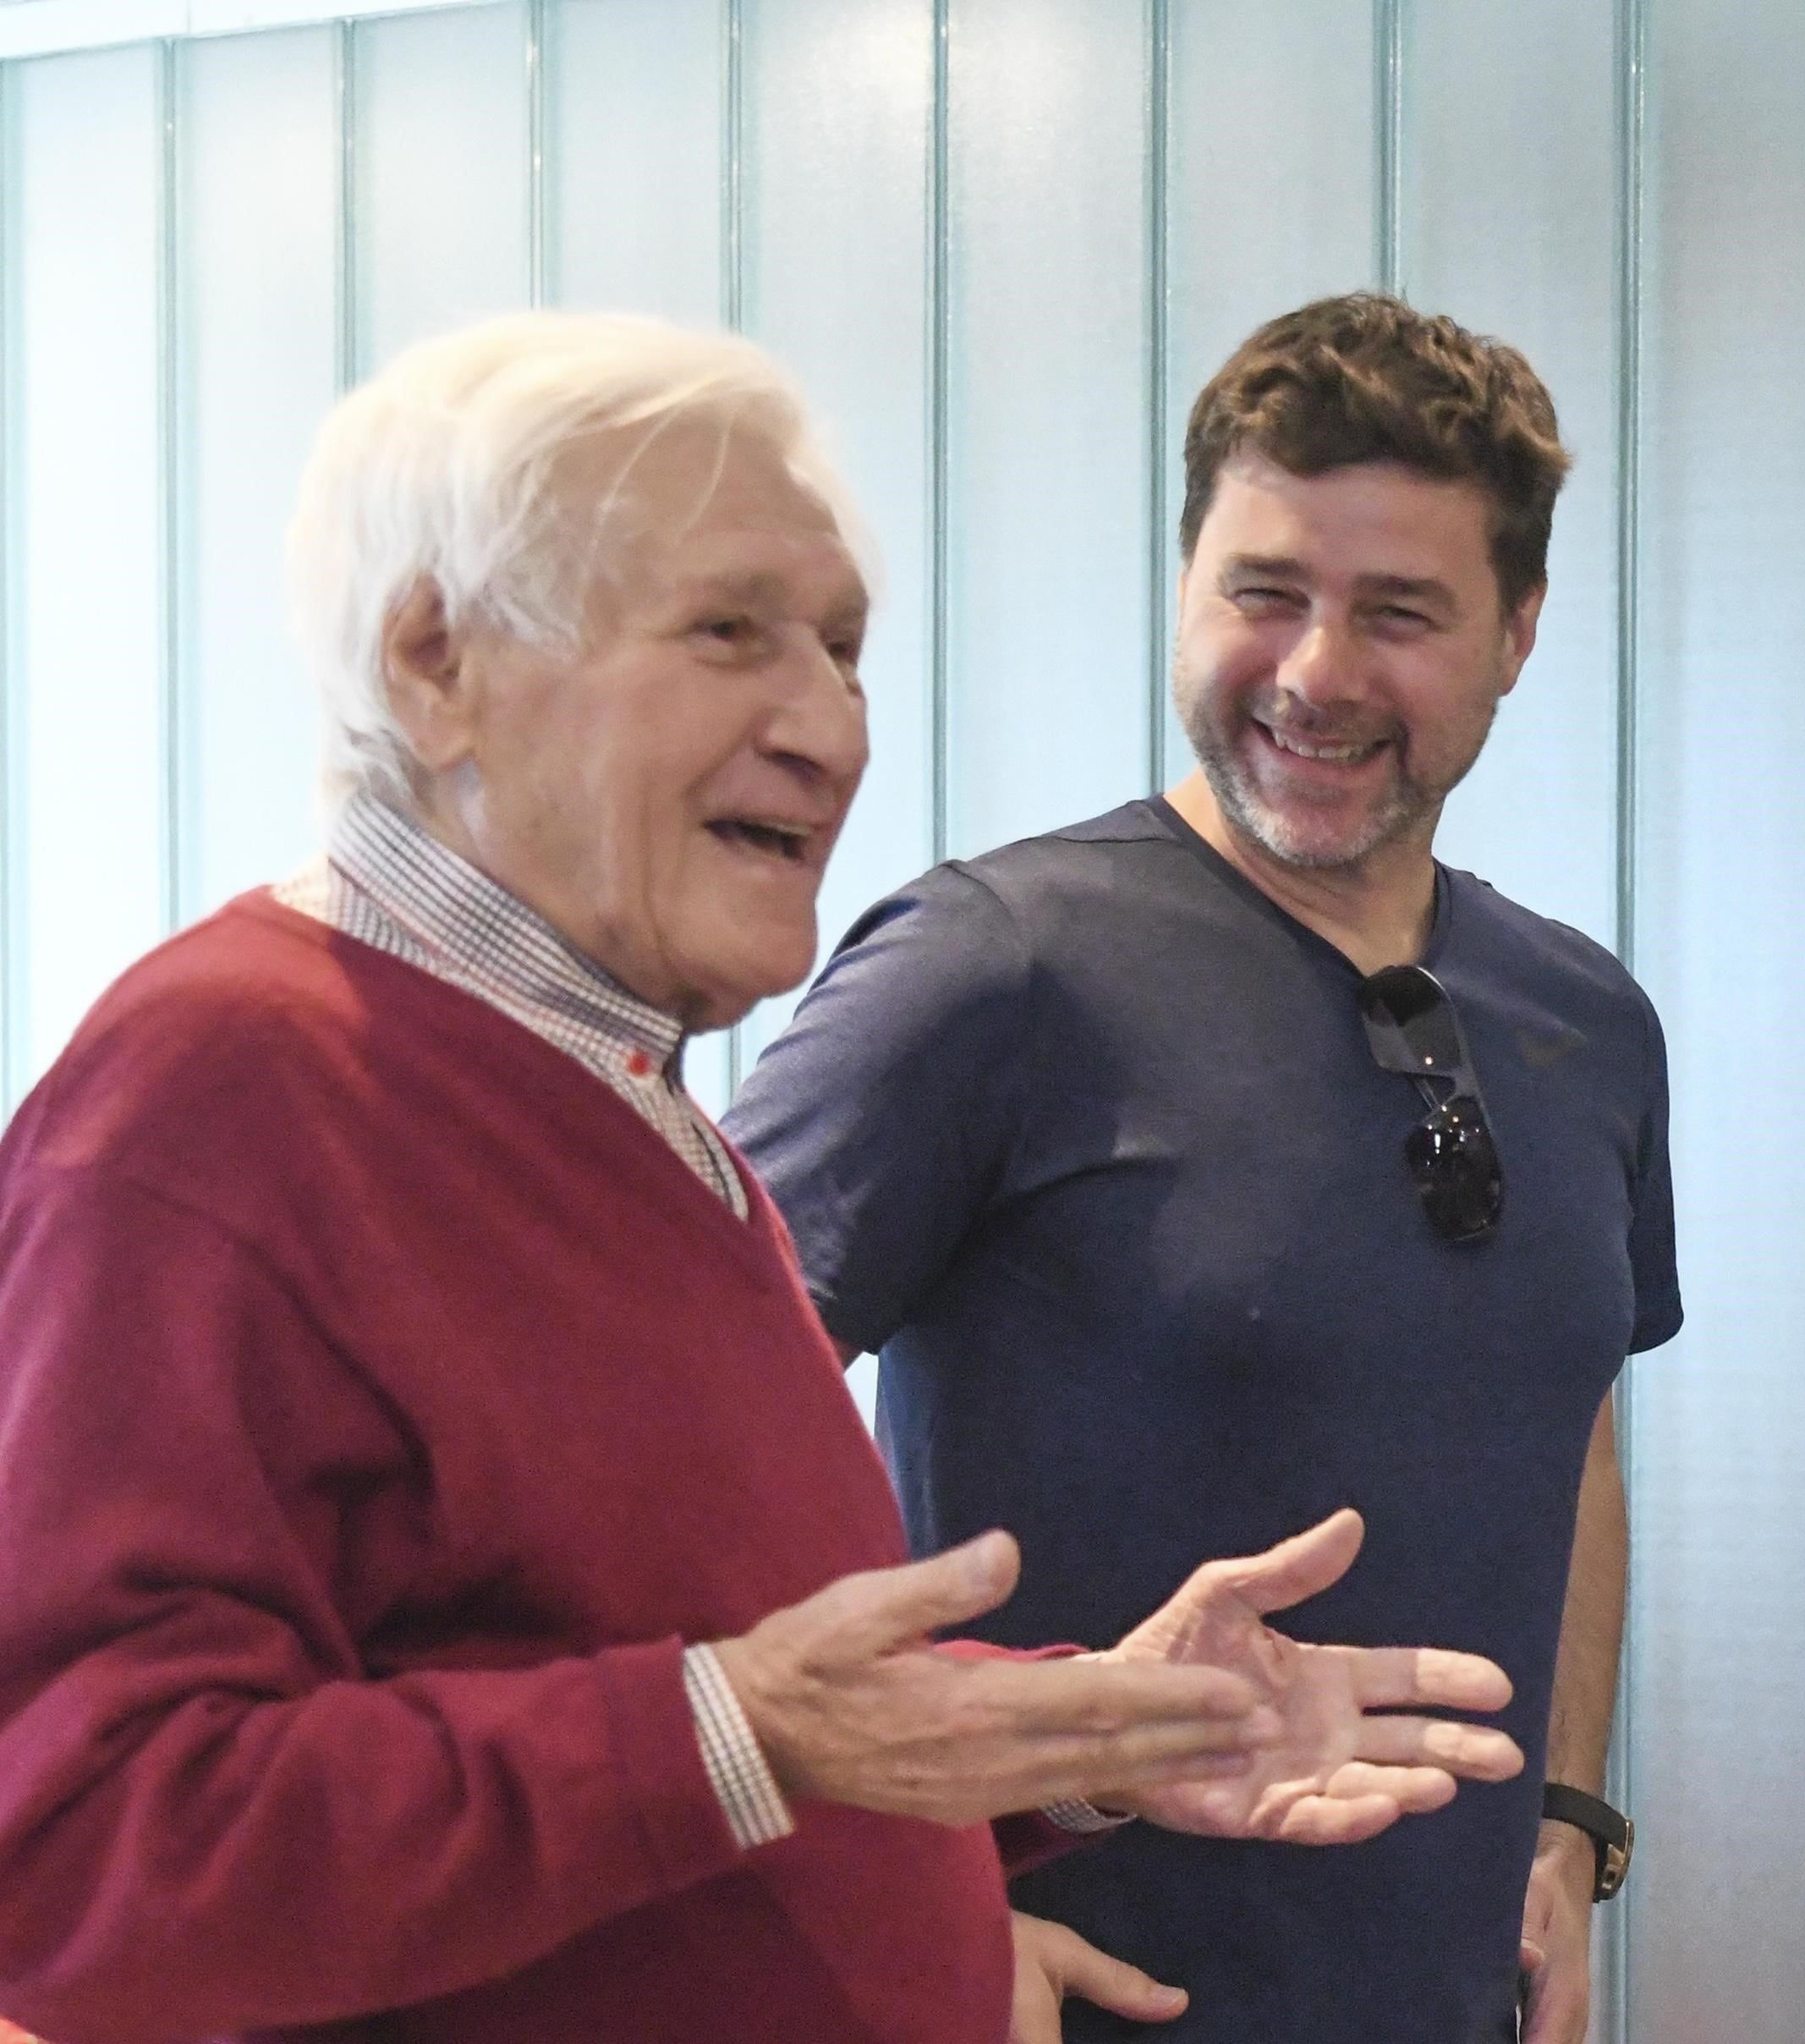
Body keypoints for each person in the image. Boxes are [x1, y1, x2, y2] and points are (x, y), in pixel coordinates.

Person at [0, 311, 1519, 2044]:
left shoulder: (614, 1089)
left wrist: (1097, 1720)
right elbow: (82, 1850)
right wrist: (738, 1731)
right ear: (435, 661)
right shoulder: (228, 1090)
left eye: (846, 648)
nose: (829, 726)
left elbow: (695, 1680)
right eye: (731, 631)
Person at [727, 291, 1678, 2044]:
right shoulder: (990, 966)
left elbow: (1575, 1419)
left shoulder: (1584, 1022)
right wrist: (909, 1890)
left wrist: (1565, 1823)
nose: (1318, 672)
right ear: (1185, 581)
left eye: (1398, 612)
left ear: (1520, 631)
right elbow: (669, 1444)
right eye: (1266, 592)